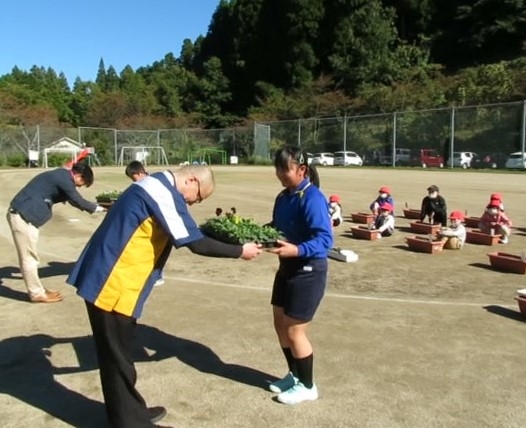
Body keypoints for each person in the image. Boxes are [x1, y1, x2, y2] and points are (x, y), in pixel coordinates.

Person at [66, 165, 261, 428]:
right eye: (199, 196)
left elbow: (189, 229)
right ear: (192, 180)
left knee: (119, 355)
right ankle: (129, 422)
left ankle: (131, 412)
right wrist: (240, 250)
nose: (194, 202)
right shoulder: (161, 191)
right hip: (111, 283)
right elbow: (195, 243)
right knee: (117, 359)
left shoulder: (156, 184)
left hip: (113, 279)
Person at [265, 146, 333, 405]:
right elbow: (277, 227)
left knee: (294, 330)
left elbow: (325, 240)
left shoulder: (312, 197)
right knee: (279, 323)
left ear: (301, 169)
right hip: (287, 267)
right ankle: (294, 375)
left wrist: (297, 249)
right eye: (277, 169)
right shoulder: (283, 197)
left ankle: (308, 386)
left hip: (308, 271)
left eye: (285, 169)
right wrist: (251, 233)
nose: (280, 174)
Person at [6, 163, 104, 303]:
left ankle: (38, 289)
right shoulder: (63, 179)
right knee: (29, 258)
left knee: (30, 257)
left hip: (24, 216)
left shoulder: (61, 176)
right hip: (22, 216)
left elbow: (74, 201)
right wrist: (102, 209)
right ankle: (36, 293)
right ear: (78, 175)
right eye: (81, 184)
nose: (79, 187)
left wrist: (98, 207)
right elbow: (77, 200)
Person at [124, 160, 164, 286]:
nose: (134, 181)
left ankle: (157, 276)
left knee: (157, 249)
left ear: (141, 173)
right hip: (146, 222)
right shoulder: (142, 184)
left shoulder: (154, 183)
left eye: (134, 177)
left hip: (159, 221)